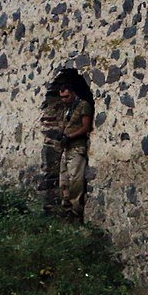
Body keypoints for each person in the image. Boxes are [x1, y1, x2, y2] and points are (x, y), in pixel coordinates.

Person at [56, 81, 93, 221]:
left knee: (76, 182)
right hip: (67, 148)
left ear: (73, 94)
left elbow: (86, 127)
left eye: (66, 96)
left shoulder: (83, 105)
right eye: (62, 97)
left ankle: (76, 212)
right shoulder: (68, 109)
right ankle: (67, 210)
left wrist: (70, 136)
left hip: (77, 147)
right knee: (64, 180)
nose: (64, 99)